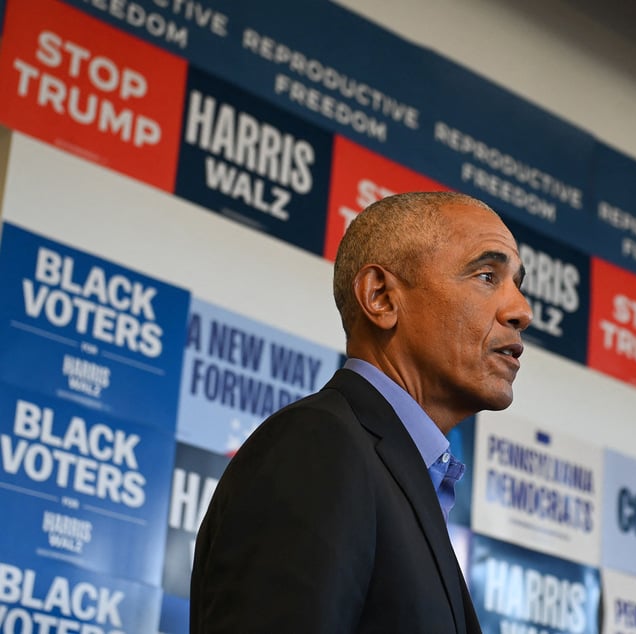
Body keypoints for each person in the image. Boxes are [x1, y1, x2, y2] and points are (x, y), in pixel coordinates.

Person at [190, 191, 533, 633]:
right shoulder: (317, 448)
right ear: (381, 298)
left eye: (517, 284)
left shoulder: (403, 478)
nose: (521, 311)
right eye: (487, 276)